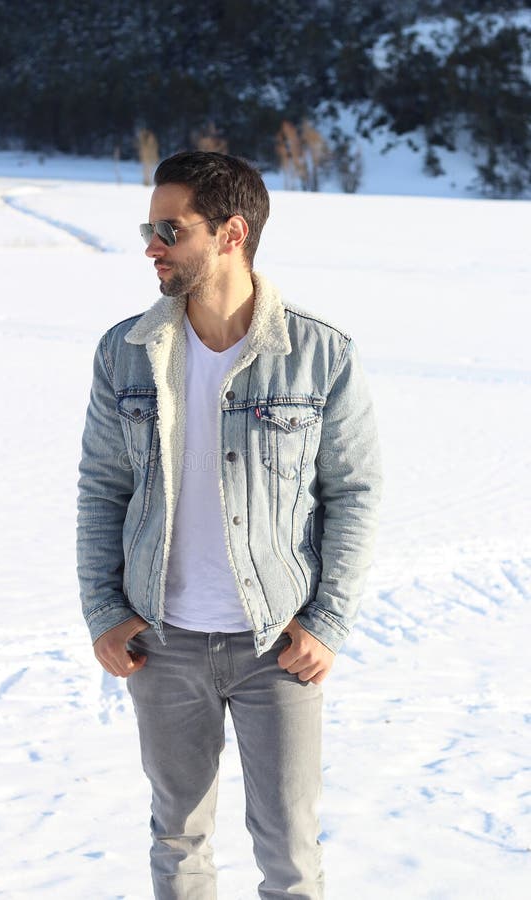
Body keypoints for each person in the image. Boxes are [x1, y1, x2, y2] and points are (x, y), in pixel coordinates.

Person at [76, 150, 382, 900]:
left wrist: (328, 622)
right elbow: (101, 489)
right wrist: (105, 610)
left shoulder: (320, 354)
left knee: (289, 854)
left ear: (231, 232)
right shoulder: (125, 353)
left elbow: (355, 493)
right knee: (177, 839)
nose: (150, 245)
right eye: (148, 228)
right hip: (161, 642)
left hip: (277, 641)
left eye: (168, 230)